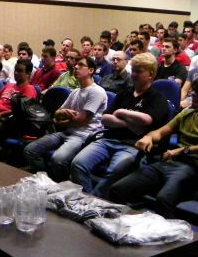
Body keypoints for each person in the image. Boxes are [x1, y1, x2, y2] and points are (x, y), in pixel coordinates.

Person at [109, 77, 198, 218]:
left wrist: (183, 150)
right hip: (169, 162)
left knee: (163, 200)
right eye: (193, 92)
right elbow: (160, 132)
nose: (194, 95)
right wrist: (148, 137)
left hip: (194, 167)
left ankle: (172, 231)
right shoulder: (187, 114)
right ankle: (120, 225)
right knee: (117, 189)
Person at [70, 53, 169, 198]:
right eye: (133, 70)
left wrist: (120, 112)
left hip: (132, 146)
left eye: (139, 71)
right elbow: (105, 119)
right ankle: (88, 199)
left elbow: (146, 120)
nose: (134, 74)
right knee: (78, 163)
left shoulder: (157, 98)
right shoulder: (125, 93)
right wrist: (130, 123)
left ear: (151, 74)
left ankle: (94, 200)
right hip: (109, 139)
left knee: (114, 171)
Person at [23, 56, 106, 182]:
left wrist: (61, 121)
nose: (76, 67)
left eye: (81, 65)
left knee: (58, 159)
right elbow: (57, 113)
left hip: (83, 136)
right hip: (67, 132)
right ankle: (45, 180)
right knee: (30, 150)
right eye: (76, 65)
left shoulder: (96, 92)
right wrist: (62, 114)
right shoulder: (76, 91)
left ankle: (60, 184)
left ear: (90, 70)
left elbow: (81, 121)